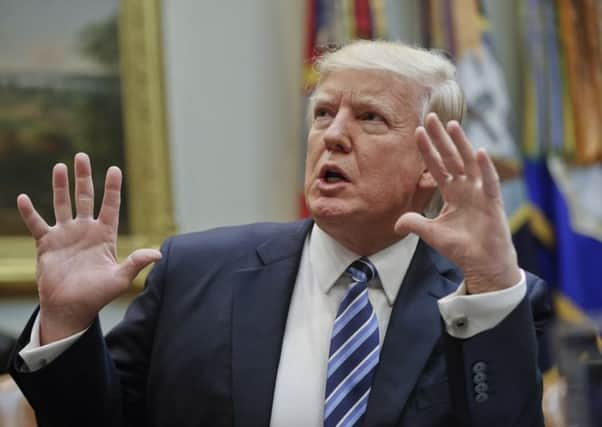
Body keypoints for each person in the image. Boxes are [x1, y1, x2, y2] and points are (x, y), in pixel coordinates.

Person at [8, 41, 549, 427]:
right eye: (323, 113)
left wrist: (492, 279)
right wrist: (67, 323)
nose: (333, 135)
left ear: (431, 162)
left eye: (370, 118)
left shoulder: (482, 300)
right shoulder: (194, 273)